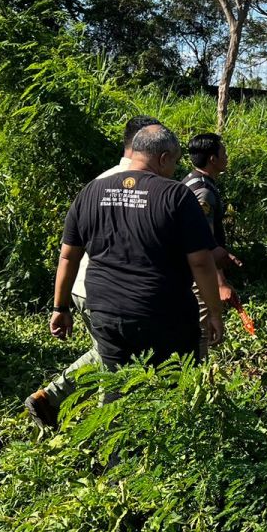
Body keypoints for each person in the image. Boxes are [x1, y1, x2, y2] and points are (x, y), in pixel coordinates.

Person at [24, 115, 162, 429]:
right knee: (117, 365)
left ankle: (49, 398)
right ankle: (107, 445)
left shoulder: (98, 182)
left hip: (83, 287)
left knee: (106, 350)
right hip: (113, 293)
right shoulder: (152, 188)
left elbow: (69, 251)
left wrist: (60, 305)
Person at [49, 126, 222, 375]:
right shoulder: (176, 196)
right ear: (163, 158)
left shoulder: (91, 191)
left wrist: (60, 309)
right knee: (172, 386)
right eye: (174, 162)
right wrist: (214, 312)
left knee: (117, 386)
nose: (174, 170)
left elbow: (68, 256)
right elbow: (201, 263)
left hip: (105, 312)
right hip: (163, 314)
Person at [182, 133, 243, 356]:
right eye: (223, 153)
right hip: (197, 275)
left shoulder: (190, 181)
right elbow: (203, 244)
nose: (227, 157)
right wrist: (220, 283)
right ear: (212, 159)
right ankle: (194, 376)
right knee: (202, 330)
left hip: (190, 270)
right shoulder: (203, 192)